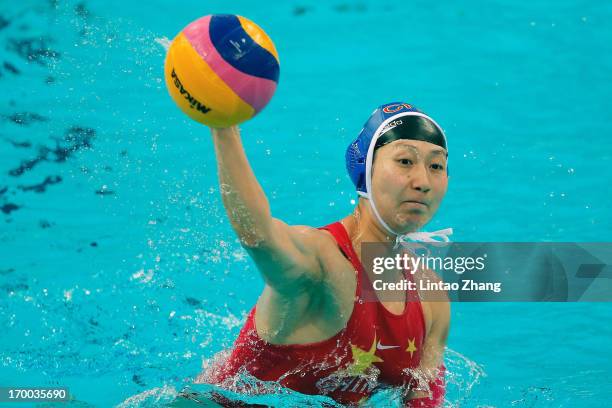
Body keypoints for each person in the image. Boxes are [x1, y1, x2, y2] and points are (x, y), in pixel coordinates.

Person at [198, 102, 451, 407]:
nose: (422, 182)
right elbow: (258, 235)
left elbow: (425, 400)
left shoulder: (431, 298)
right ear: (365, 171)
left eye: (436, 166)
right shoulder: (321, 262)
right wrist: (223, 128)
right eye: (405, 161)